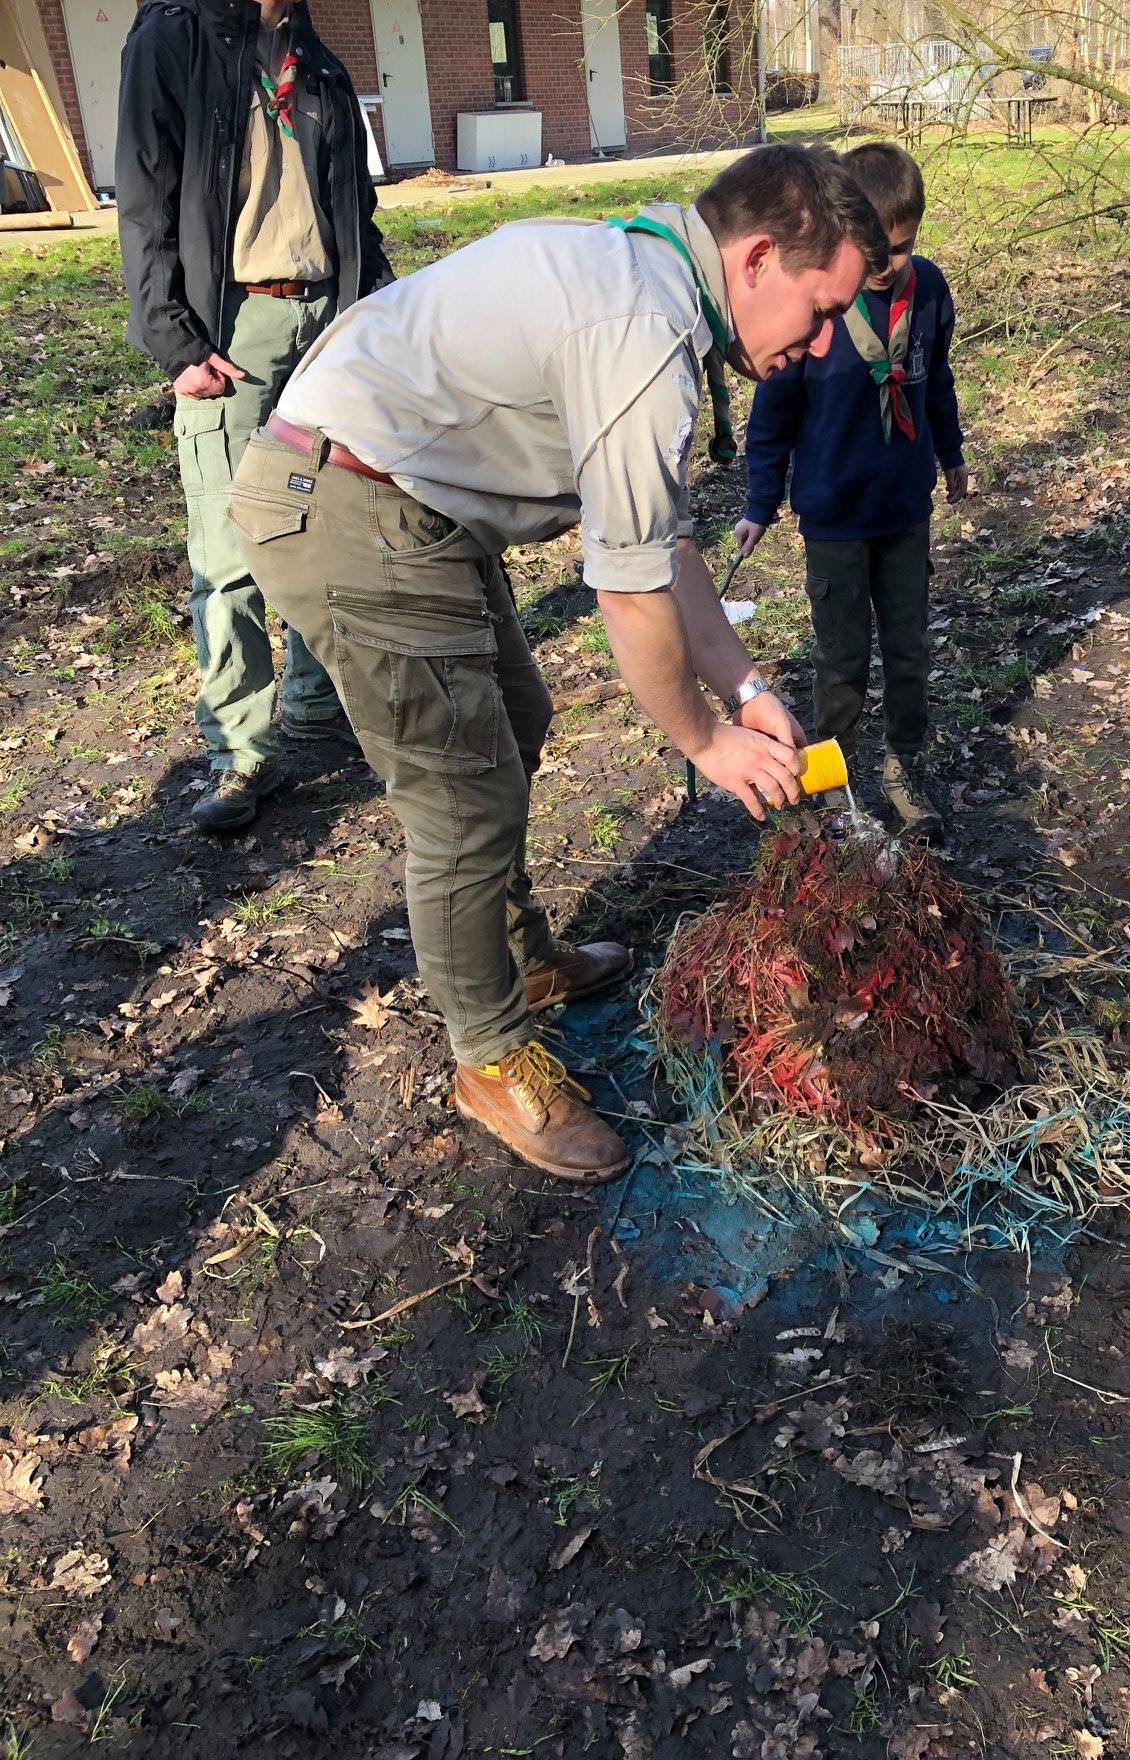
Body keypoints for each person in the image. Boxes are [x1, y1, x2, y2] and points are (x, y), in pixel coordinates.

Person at [227, 144, 887, 1184]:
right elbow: (628, 592)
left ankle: (519, 959)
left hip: (408, 497)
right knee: (461, 796)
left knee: (516, 720)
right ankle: (491, 1060)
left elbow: (663, 544)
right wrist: (706, 741)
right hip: (347, 503)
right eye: (821, 310)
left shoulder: (652, 272)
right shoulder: (644, 334)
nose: (821, 343)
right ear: (759, 258)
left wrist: (746, 687)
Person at [117, 0, 392, 834]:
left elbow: (355, 209)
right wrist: (176, 344)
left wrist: (380, 316)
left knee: (321, 528)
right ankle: (240, 752)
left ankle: (316, 704)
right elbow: (144, 197)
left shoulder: (317, 59)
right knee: (230, 555)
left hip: (327, 325)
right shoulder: (173, 37)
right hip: (232, 330)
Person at [732, 141, 967, 840]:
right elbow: (772, 414)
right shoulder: (819, 312)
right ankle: (832, 784)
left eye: (902, 247)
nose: (888, 265)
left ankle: (904, 766)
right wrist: (759, 502)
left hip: (904, 511)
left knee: (909, 650)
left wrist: (951, 453)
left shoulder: (929, 292)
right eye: (876, 251)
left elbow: (938, 380)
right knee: (841, 660)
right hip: (834, 518)